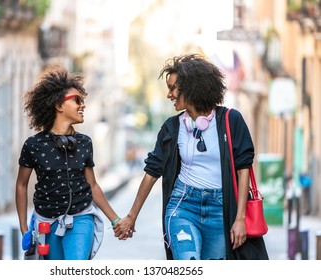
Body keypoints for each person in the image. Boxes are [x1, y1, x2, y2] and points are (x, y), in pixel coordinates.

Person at [114, 53, 269, 260]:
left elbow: (243, 170)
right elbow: (152, 172)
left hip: (220, 211)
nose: (169, 95)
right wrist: (131, 217)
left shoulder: (231, 121)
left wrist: (239, 218)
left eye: (172, 88)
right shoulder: (172, 128)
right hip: (183, 206)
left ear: (191, 87)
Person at [15, 65, 124, 260]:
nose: (83, 105)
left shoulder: (85, 143)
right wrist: (24, 228)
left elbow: (93, 185)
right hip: (45, 223)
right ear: (59, 106)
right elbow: (21, 185)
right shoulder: (33, 145)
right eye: (77, 100)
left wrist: (115, 219)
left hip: (81, 217)